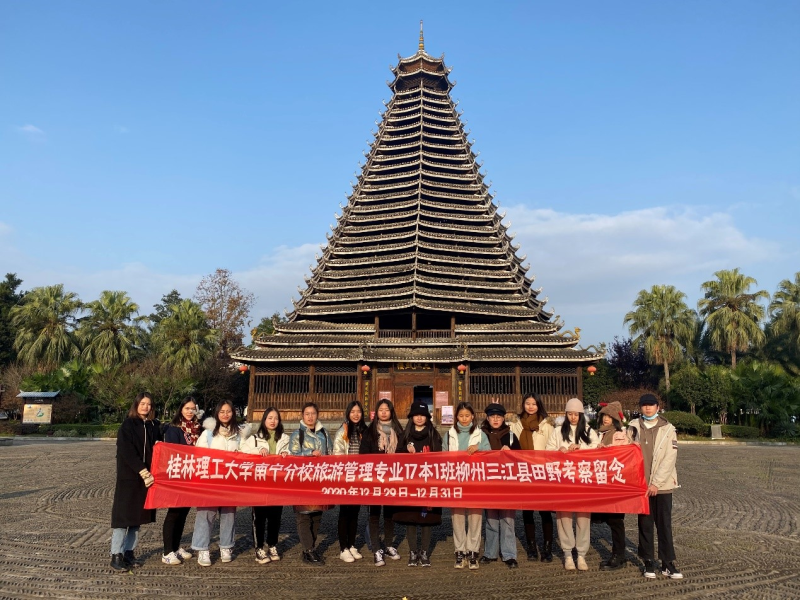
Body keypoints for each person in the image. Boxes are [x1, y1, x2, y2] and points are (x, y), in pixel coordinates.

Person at [628, 393, 682, 580]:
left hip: (663, 486)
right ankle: (648, 561)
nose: (648, 408)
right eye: (644, 405)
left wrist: (656, 483)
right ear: (640, 407)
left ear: (658, 407)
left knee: (664, 525)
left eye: (651, 405)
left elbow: (670, 458)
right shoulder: (633, 427)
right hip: (641, 486)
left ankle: (667, 563)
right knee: (645, 524)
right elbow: (625, 452)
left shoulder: (668, 429)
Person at [110, 392, 162, 571]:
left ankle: (129, 553)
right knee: (122, 519)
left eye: (149, 404)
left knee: (136, 520)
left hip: (146, 480)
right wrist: (142, 470)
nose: (145, 407)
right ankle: (116, 555)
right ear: (136, 405)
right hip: (130, 477)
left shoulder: (154, 425)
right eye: (142, 403)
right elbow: (126, 451)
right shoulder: (128, 425)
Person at [545, 397, 598, 571]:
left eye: (576, 414)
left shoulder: (589, 431)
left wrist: (581, 449)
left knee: (583, 518)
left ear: (581, 415)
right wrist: (559, 450)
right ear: (566, 414)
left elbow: (597, 450)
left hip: (583, 481)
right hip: (564, 481)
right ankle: (567, 553)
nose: (573, 417)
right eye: (570, 414)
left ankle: (581, 554)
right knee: (564, 518)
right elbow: (548, 451)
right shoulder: (558, 431)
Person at [191, 400, 241, 567]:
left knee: (229, 514)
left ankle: (226, 546)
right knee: (206, 513)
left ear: (233, 413)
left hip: (231, 481)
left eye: (228, 411)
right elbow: (198, 455)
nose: (225, 415)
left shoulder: (240, 433)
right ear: (217, 414)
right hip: (210, 480)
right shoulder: (208, 433)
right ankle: (202, 548)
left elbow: (248, 453)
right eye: (222, 412)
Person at [393, 401, 443, 567]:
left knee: (427, 518)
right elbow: (397, 457)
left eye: (422, 415)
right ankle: (413, 551)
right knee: (411, 517)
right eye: (416, 415)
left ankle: (425, 551)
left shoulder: (434, 435)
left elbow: (440, 457)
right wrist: (406, 452)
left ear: (427, 417)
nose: (419, 418)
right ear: (411, 417)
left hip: (429, 483)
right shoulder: (405, 435)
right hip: (410, 483)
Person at [443, 401, 491, 570]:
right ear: (456, 417)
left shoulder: (480, 434)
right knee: (457, 516)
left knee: (475, 516)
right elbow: (442, 457)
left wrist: (479, 447)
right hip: (456, 480)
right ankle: (460, 550)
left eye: (467, 416)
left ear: (472, 416)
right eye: (461, 416)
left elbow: (489, 453)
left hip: (475, 480)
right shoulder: (449, 435)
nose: (464, 419)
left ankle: (472, 551)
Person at [509, 392, 556, 561]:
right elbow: (509, 444)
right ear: (523, 404)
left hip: (542, 472)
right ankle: (531, 547)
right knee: (527, 511)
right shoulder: (515, 424)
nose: (530, 407)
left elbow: (553, 447)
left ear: (539, 405)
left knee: (545, 512)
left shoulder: (547, 424)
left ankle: (547, 548)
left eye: (534, 404)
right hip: (524, 472)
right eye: (527, 403)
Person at [239, 406, 289, 564]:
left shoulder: (285, 438)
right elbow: (242, 452)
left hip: (277, 483)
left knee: (275, 517)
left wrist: (287, 454)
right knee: (259, 517)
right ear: (264, 420)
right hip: (259, 482)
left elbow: (294, 455)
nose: (273, 421)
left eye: (276, 418)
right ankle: (259, 547)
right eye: (270, 418)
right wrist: (258, 450)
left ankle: (272, 544)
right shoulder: (255, 438)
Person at [359, 398, 405, 566]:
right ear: (376, 413)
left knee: (389, 514)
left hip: (392, 478)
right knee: (374, 514)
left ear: (392, 412)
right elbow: (363, 455)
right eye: (381, 410)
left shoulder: (398, 431)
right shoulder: (370, 431)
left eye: (387, 409)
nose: (384, 412)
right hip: (375, 478)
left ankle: (389, 544)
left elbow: (403, 453)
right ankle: (376, 548)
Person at [288, 402, 332, 566]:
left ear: (317, 415)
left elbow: (331, 453)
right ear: (302, 416)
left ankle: (310, 548)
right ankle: (308, 549)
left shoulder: (324, 433)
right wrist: (309, 453)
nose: (310, 417)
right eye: (307, 414)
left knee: (317, 515)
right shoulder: (297, 434)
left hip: (320, 479)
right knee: (304, 515)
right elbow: (292, 456)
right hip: (303, 480)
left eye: (313, 413)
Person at [594, 401, 635, 571]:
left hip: (615, 484)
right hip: (602, 482)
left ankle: (619, 555)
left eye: (609, 416)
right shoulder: (598, 433)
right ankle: (618, 554)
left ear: (615, 419)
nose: (606, 419)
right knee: (609, 519)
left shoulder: (619, 434)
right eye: (604, 415)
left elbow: (622, 453)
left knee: (616, 520)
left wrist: (605, 449)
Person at [479, 402, 521, 568]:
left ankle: (509, 554)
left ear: (503, 418)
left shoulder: (511, 436)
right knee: (491, 519)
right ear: (487, 418)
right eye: (492, 416)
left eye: (499, 416)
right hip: (488, 482)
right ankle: (490, 552)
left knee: (508, 519)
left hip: (507, 483)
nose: (495, 419)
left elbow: (522, 458)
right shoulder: (480, 435)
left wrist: (512, 453)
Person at [160, 396, 200, 565]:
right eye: (187, 408)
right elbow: (172, 453)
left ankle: (176, 548)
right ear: (181, 409)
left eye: (193, 409)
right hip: (179, 475)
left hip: (193, 475)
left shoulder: (198, 428)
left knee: (184, 512)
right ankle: (167, 551)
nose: (190, 412)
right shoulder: (174, 428)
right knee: (174, 512)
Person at [333, 400, 367, 563]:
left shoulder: (364, 430)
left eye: (358, 411)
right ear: (348, 413)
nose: (356, 414)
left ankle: (352, 544)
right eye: (353, 412)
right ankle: (343, 547)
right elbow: (337, 453)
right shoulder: (343, 431)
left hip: (360, 477)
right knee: (345, 512)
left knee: (355, 512)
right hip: (346, 477)